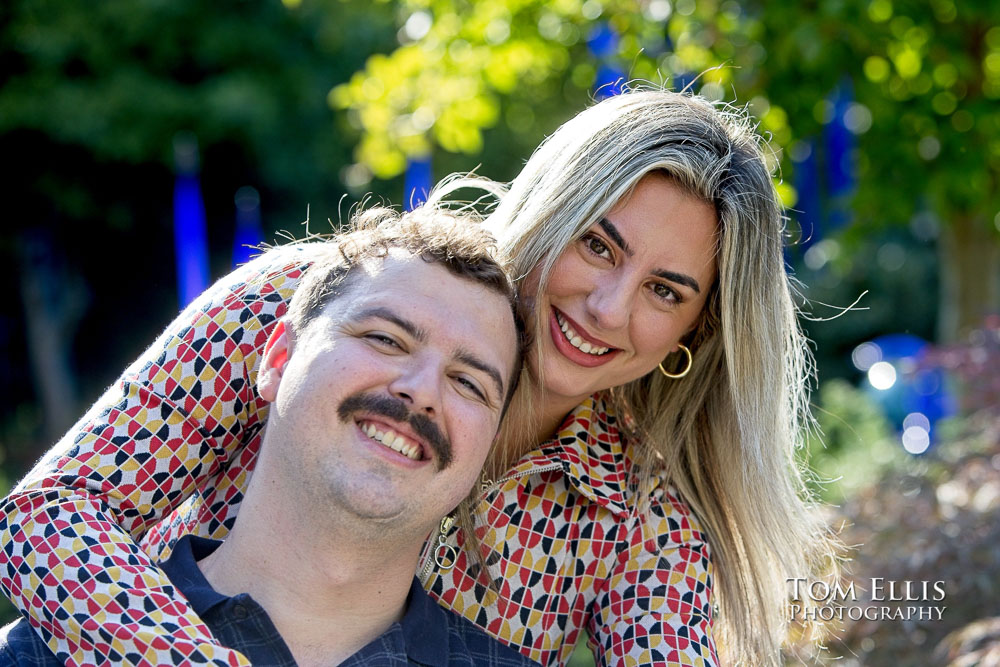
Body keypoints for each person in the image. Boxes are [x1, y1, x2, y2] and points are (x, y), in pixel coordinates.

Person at [0, 88, 836, 666]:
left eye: (665, 291)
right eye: (598, 244)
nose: (610, 308)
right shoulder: (317, 305)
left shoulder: (641, 515)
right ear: (551, 208)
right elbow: (46, 518)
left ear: (695, 331)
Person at [0, 207, 539, 666]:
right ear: (278, 358)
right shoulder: (39, 652)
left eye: (468, 382)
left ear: (487, 449)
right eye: (385, 338)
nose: (422, 392)